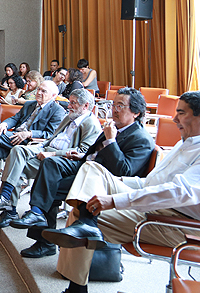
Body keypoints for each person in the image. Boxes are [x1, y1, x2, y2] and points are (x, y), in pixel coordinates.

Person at [43, 91, 200, 293]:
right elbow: (152, 183)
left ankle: (76, 288)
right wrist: (116, 182)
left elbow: (178, 192)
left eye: (181, 113)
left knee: (83, 212)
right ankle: (85, 229)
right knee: (93, 169)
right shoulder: (183, 143)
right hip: (158, 208)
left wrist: (115, 200)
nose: (174, 119)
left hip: (178, 225)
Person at [9, 88, 154, 252]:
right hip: (85, 165)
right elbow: (96, 153)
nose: (114, 110)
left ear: (136, 112)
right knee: (50, 164)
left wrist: (111, 141)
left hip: (101, 181)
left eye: (120, 106)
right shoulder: (114, 127)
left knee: (49, 187)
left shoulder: (141, 139)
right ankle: (37, 213)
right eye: (113, 105)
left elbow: (124, 171)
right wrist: (81, 156)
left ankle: (44, 238)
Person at [0, 89, 101, 237]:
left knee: (17, 167)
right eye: (69, 102)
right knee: (17, 152)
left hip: (61, 159)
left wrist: (53, 154)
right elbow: (52, 138)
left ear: (85, 106)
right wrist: (40, 147)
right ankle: (6, 200)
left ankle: (9, 209)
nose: (69, 106)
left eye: (73, 103)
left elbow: (82, 151)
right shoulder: (69, 117)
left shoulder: (91, 124)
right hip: (45, 148)